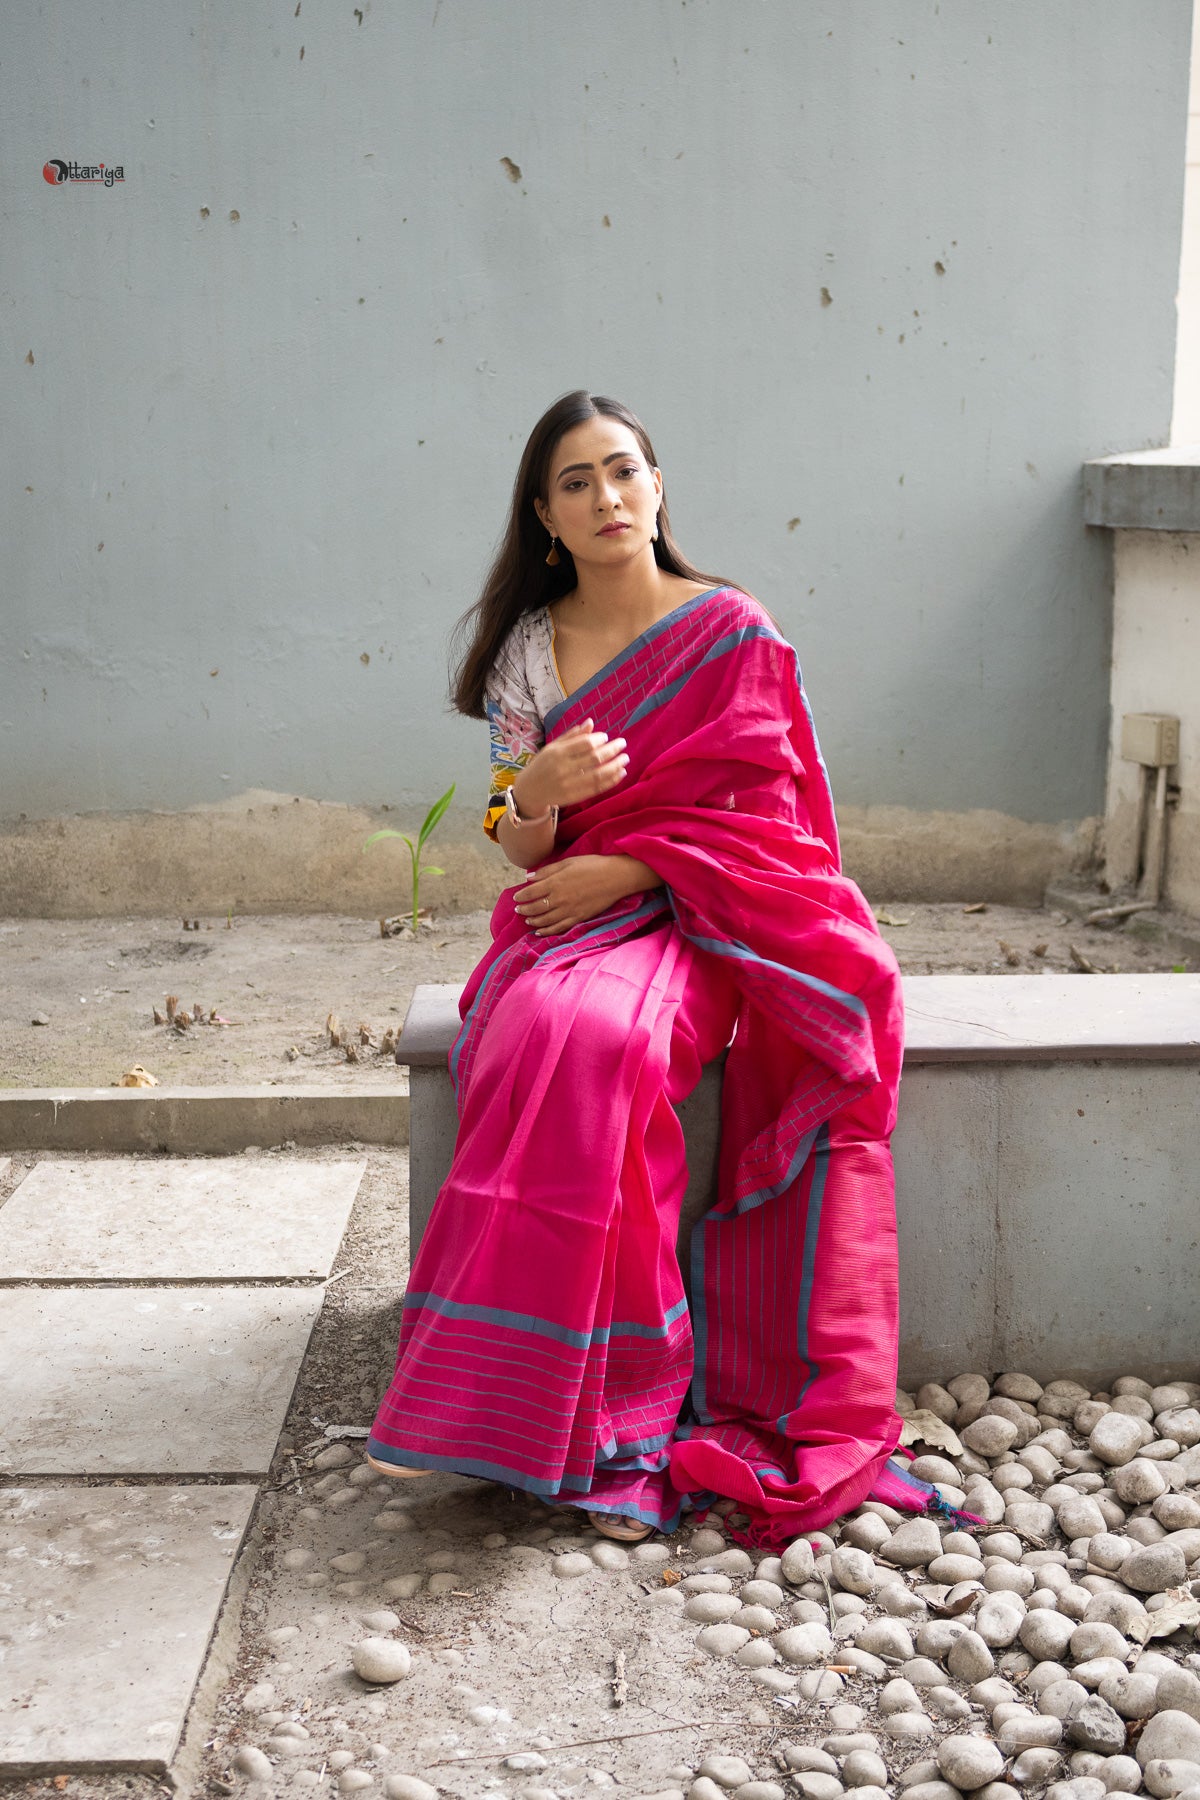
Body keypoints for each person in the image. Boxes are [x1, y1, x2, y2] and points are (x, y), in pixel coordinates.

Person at [366, 391, 939, 1548]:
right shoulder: (529, 652)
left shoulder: (730, 631)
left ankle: (620, 1418)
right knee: (532, 1037)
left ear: (658, 486)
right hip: (560, 917)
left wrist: (623, 870)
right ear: (544, 516)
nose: (606, 496)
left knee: (612, 1046)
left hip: (708, 920)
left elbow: (773, 827)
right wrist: (536, 795)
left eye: (622, 471)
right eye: (575, 482)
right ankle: (513, 1404)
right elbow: (511, 832)